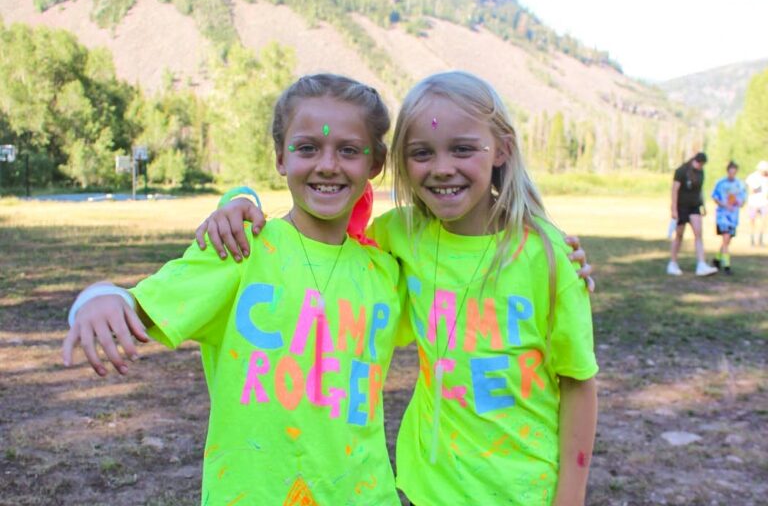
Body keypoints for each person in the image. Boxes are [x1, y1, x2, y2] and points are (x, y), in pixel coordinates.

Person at [197, 71, 598, 505]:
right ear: (397, 162)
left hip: (527, 491)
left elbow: (578, 381)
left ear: (501, 148)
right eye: (422, 153)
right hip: (426, 490)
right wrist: (240, 200)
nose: (442, 168)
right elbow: (318, 232)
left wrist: (570, 498)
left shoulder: (550, 258)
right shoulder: (398, 237)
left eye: (463, 149)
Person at [61, 74, 406, 505]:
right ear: (280, 157)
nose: (327, 165)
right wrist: (97, 298)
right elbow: (139, 304)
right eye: (307, 148)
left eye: (349, 150)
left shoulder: (385, 272)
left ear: (376, 163)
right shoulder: (239, 248)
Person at [667, 152, 719, 276]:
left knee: (698, 234)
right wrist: (674, 209)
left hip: (694, 207)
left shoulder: (701, 172)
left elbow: (700, 190)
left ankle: (701, 264)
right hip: (681, 207)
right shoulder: (681, 171)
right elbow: (674, 190)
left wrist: (703, 205)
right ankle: (672, 263)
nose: (700, 166)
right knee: (679, 235)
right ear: (694, 161)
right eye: (699, 164)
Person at [711, 161, 747, 275]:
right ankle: (726, 265)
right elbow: (715, 197)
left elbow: (743, 199)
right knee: (726, 238)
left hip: (733, 217)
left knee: (727, 240)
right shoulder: (720, 183)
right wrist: (724, 204)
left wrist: (739, 202)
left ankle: (717, 259)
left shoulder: (740, 184)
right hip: (723, 216)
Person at [745, 160, 768, 246]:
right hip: (753, 202)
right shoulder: (752, 177)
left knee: (763, 221)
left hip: (764, 202)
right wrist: (762, 189)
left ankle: (760, 239)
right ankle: (752, 239)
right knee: (752, 221)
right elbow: (751, 190)